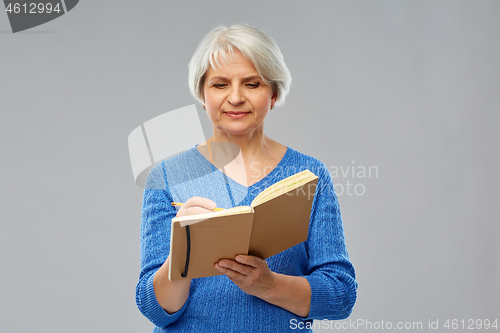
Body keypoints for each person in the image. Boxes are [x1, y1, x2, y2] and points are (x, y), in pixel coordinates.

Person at [136, 24, 357, 332]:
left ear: (274, 93)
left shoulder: (309, 175)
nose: (236, 98)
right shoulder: (168, 176)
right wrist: (181, 255)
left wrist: (268, 285)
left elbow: (340, 295)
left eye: (252, 84)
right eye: (220, 84)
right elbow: (156, 310)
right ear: (202, 94)